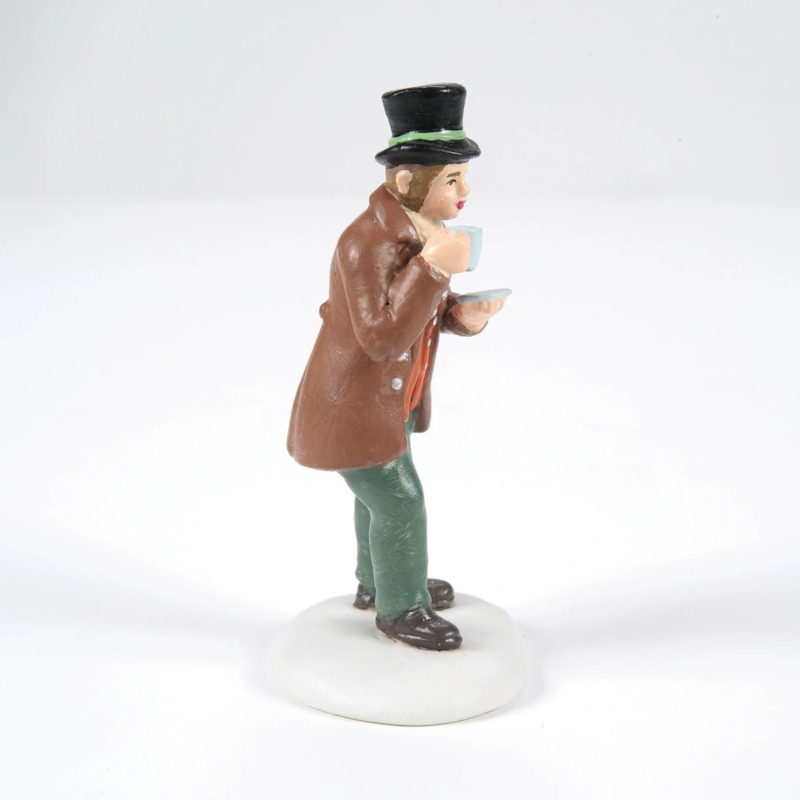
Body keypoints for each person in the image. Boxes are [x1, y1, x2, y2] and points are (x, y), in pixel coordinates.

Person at [287, 84, 505, 650]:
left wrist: (463, 316)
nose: (464, 192)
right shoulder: (366, 243)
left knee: (377, 498)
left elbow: (419, 320)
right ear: (408, 181)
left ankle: (380, 579)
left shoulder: (422, 232)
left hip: (390, 403)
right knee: (399, 500)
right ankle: (401, 607)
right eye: (452, 180)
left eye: (462, 177)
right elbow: (383, 338)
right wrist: (432, 269)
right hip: (352, 403)